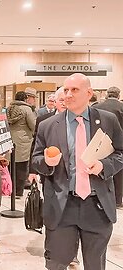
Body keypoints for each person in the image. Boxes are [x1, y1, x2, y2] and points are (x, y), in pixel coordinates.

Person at [32, 73, 123, 270]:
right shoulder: (47, 125)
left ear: (89, 93)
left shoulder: (108, 121)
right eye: (65, 90)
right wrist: (47, 162)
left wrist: (104, 166)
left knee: (95, 265)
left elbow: (120, 153)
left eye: (74, 90)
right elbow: (36, 159)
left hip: (97, 207)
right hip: (62, 207)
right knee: (56, 263)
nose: (68, 94)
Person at [94, 86, 123, 208]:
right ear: (118, 95)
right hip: (119, 140)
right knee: (118, 170)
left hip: (99, 141)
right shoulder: (121, 107)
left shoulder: (97, 106)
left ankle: (100, 197)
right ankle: (117, 200)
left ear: (107, 94)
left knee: (99, 167)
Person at [7, 91, 36, 197]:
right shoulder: (27, 109)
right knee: (22, 167)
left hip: (10, 140)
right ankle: (18, 191)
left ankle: (10, 189)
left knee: (11, 166)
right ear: (25, 99)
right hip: (23, 142)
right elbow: (33, 125)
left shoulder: (9, 108)